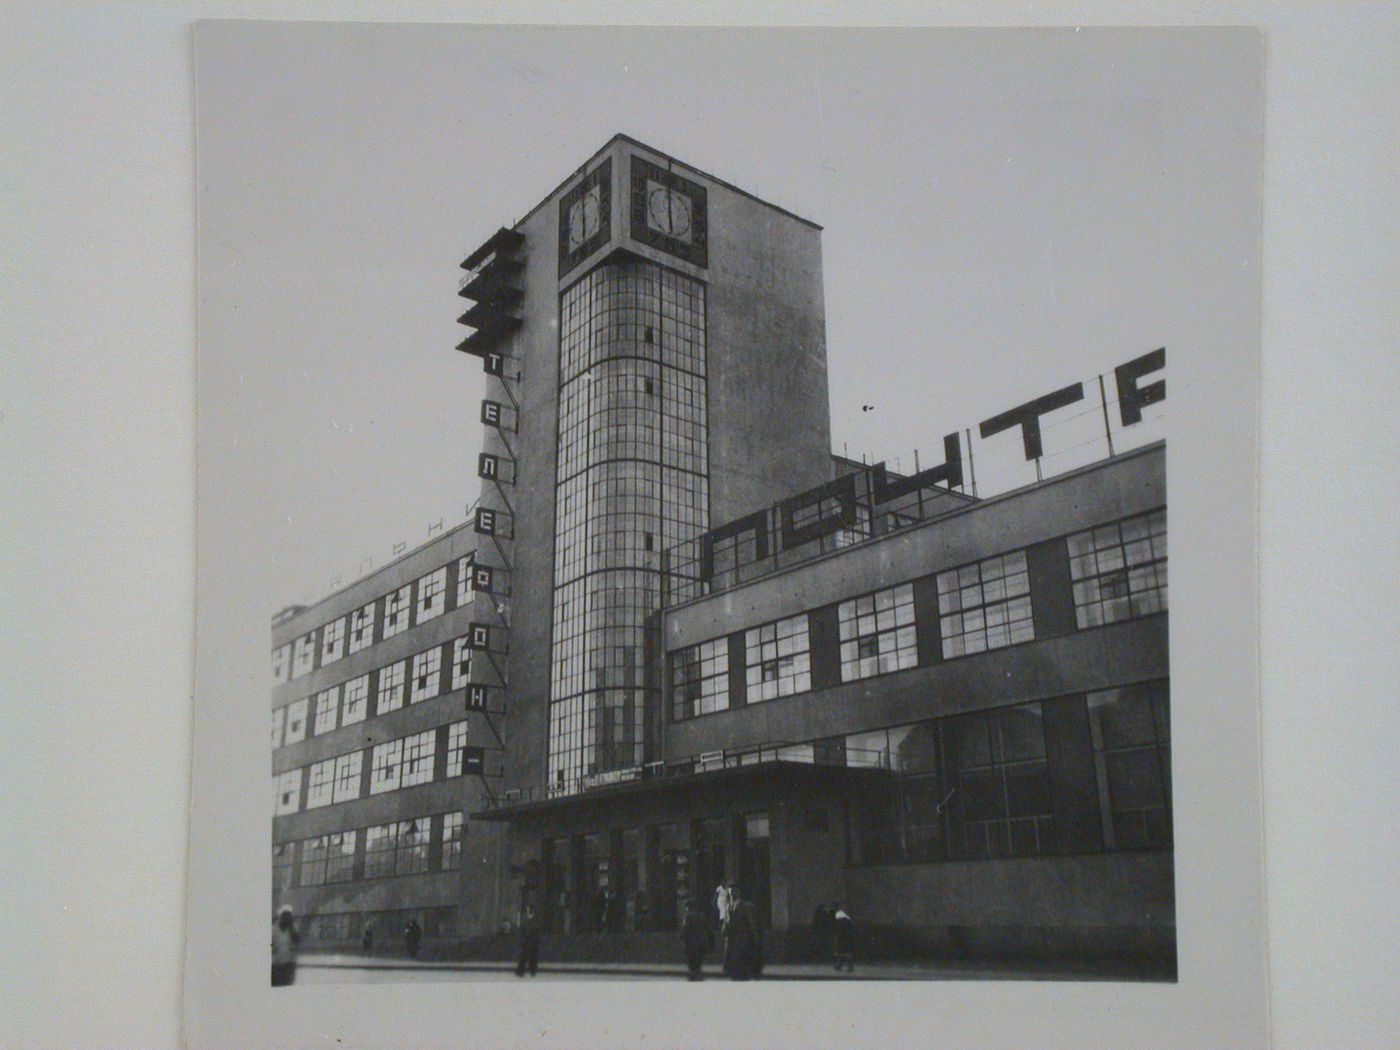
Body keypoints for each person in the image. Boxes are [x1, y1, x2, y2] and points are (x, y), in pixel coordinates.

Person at [724, 890, 762, 981]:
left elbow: (752, 924)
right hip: (732, 940)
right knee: (734, 967)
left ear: (739, 893)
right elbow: (727, 923)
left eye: (734, 891)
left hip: (743, 939)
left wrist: (756, 938)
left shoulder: (747, 906)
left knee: (742, 965)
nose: (732, 894)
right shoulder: (728, 906)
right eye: (730, 892)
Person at [681, 899, 712, 981]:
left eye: (687, 907)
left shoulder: (688, 916)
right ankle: (698, 974)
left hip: (691, 943)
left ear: (689, 907)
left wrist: (681, 937)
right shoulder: (703, 916)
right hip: (701, 942)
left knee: (692, 962)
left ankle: (693, 976)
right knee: (699, 961)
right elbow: (707, 929)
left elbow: (685, 929)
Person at [271, 905, 300, 987]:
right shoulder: (273, 930)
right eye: (285, 916)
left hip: (288, 965)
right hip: (276, 966)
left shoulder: (292, 930)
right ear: (280, 917)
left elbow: (297, 943)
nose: (287, 919)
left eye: (289, 917)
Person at [515, 902, 542, 977]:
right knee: (523, 957)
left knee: (532, 957)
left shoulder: (535, 919)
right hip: (526, 941)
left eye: (528, 910)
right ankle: (520, 971)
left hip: (533, 941)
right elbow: (523, 929)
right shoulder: (526, 919)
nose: (527, 911)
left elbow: (535, 929)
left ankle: (532, 970)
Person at [832, 904, 855, 972]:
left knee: (840, 952)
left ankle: (840, 965)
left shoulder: (839, 921)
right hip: (848, 937)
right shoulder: (848, 920)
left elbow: (837, 929)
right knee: (846, 952)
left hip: (841, 937)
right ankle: (847, 966)